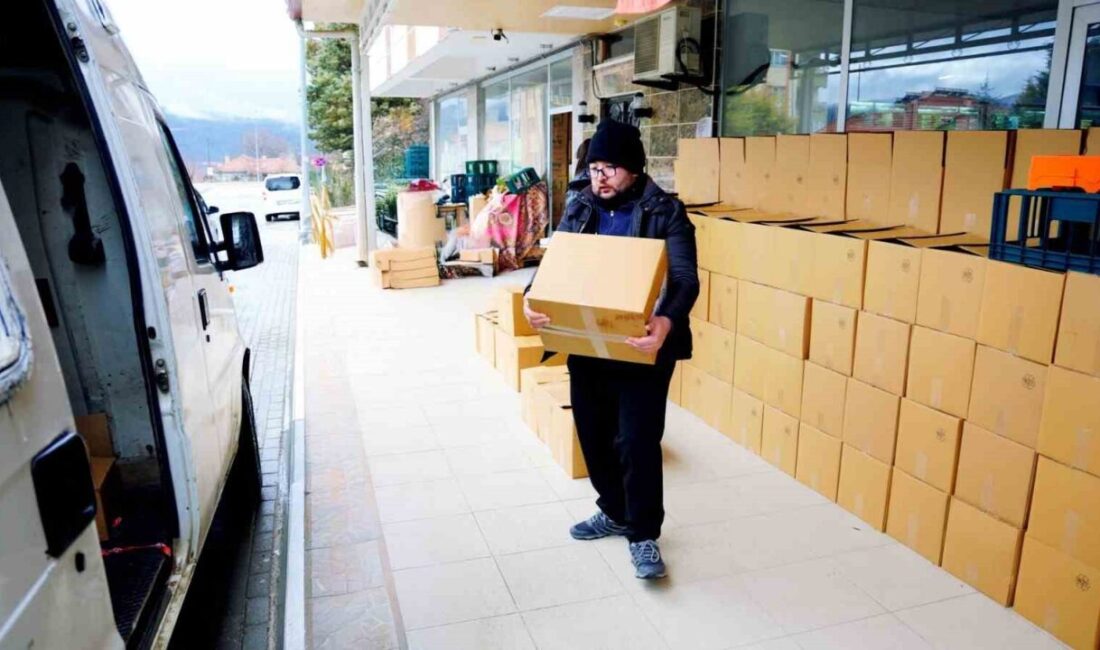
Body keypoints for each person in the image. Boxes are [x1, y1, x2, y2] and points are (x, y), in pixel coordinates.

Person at [523, 119, 699, 579]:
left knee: (636, 442)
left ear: (635, 170)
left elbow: (684, 278)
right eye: (595, 167)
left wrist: (665, 321)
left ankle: (643, 534)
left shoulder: (666, 212)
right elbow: (554, 265)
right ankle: (614, 510)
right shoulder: (582, 205)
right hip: (588, 342)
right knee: (594, 433)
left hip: (641, 344)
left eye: (611, 169)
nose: (600, 177)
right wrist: (531, 298)